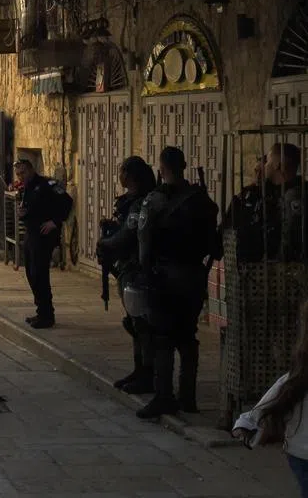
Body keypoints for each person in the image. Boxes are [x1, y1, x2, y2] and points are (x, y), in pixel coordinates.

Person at [136, 146, 219, 419]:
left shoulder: (155, 200)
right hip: (194, 276)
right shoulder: (201, 200)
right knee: (187, 335)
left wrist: (145, 273)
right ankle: (188, 396)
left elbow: (145, 240)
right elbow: (214, 244)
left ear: (162, 168)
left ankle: (163, 396)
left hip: (165, 276)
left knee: (162, 337)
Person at [233, 298, 308, 497]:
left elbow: (275, 397)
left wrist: (248, 423)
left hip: (299, 451)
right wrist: (248, 423)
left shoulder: (297, 376)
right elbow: (276, 397)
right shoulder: (298, 377)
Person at [96, 156, 157, 395]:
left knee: (141, 324)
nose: (119, 176)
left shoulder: (140, 202)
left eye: (121, 171)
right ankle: (139, 369)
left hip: (136, 271)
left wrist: (107, 242)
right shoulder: (133, 202)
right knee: (134, 322)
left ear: (129, 175)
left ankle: (147, 374)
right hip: (127, 269)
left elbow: (128, 236)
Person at [14, 159, 72, 330]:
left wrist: (55, 221)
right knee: (31, 274)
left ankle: (47, 315)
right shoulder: (27, 188)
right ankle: (41, 311)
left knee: (40, 274)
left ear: (32, 170)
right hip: (31, 234)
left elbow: (67, 202)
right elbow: (31, 209)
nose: (21, 176)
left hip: (44, 236)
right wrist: (22, 213)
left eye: (23, 172)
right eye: (18, 173)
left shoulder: (48, 184)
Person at [266, 143, 308, 262]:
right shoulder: (289, 191)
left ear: (277, 165)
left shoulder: (293, 196)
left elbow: (289, 237)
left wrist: (277, 263)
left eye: (267, 162)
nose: (265, 166)